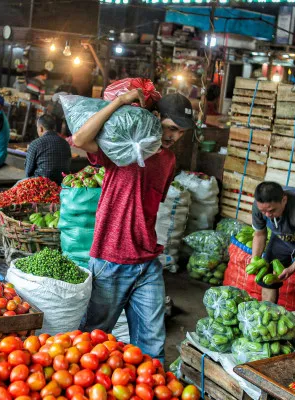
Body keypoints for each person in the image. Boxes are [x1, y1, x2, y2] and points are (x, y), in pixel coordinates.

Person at [73, 90, 196, 362]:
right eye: (171, 128)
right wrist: (118, 103)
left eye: (180, 133)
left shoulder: (169, 161)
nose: (173, 137)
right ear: (155, 118)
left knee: (153, 345)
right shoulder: (125, 145)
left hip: (147, 260)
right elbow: (81, 139)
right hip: (111, 258)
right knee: (93, 339)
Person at [25, 114, 71, 185]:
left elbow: (28, 172)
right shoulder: (65, 143)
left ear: (40, 128)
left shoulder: (35, 144)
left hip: (40, 185)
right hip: (62, 184)